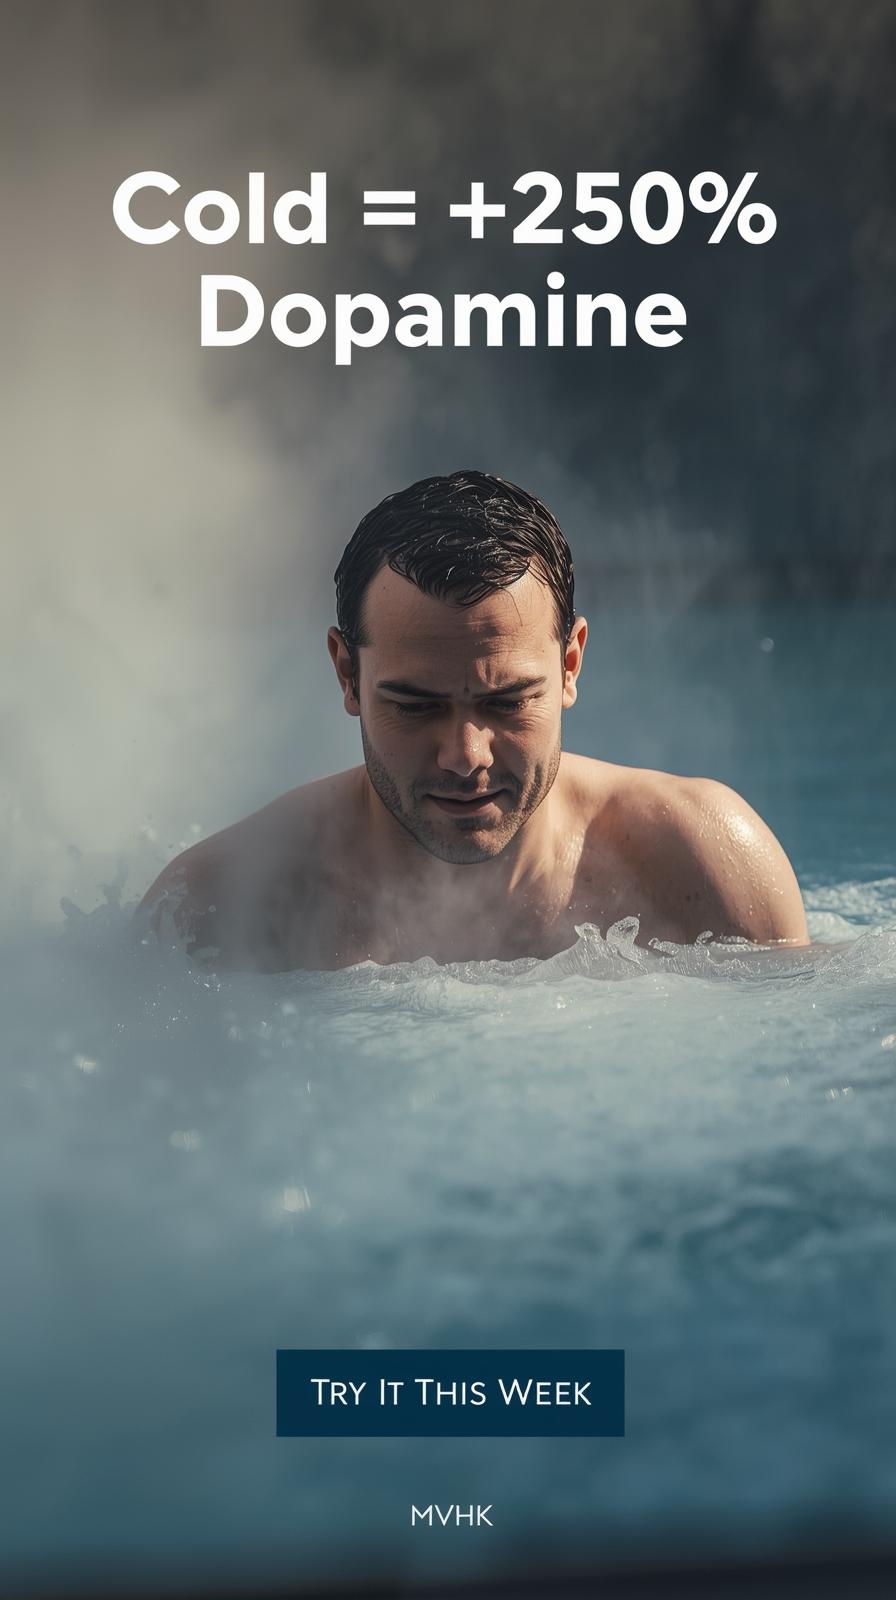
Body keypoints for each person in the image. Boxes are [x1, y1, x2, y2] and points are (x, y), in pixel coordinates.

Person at [135, 470, 809, 971]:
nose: (464, 757)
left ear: (571, 665)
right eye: (417, 705)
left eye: (507, 702)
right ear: (347, 674)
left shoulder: (703, 862)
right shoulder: (219, 908)